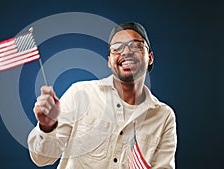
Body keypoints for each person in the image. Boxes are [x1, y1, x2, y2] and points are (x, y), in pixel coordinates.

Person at [28, 22, 177, 169]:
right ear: (109, 61)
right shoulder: (80, 94)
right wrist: (47, 127)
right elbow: (42, 158)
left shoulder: (163, 116)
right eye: (117, 48)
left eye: (136, 46)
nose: (126, 52)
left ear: (150, 57)